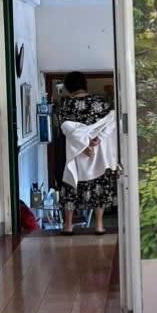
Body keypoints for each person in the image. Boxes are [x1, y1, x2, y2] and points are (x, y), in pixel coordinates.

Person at [55, 71, 117, 234]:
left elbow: (66, 128)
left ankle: (68, 226)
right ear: (85, 84)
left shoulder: (65, 105)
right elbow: (111, 121)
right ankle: (99, 225)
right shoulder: (101, 102)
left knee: (71, 185)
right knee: (99, 185)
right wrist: (96, 139)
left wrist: (84, 143)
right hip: (97, 152)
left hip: (76, 152)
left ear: (68, 87)